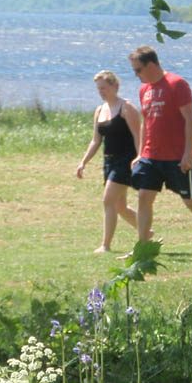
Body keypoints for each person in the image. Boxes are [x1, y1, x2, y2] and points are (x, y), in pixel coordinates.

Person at [128, 45, 192, 261]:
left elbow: (190, 119)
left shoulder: (177, 84)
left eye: (138, 70)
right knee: (144, 197)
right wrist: (140, 153)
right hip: (151, 156)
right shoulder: (144, 89)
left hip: (177, 158)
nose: (136, 75)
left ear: (151, 64)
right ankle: (143, 249)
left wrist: (187, 153)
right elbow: (146, 122)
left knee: (190, 200)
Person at [76, 70, 143, 253]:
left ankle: (105, 245)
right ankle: (146, 231)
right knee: (120, 206)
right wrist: (83, 162)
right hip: (109, 162)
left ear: (115, 86)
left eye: (104, 88)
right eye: (99, 89)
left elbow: (139, 137)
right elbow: (96, 140)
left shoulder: (126, 108)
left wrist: (140, 158)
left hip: (126, 161)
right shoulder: (99, 110)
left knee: (108, 201)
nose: (101, 92)